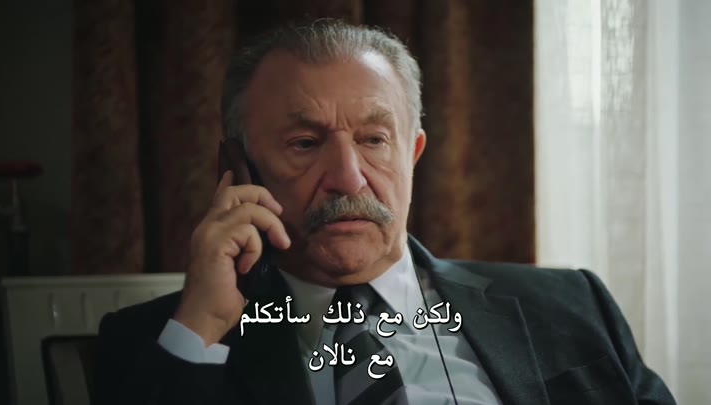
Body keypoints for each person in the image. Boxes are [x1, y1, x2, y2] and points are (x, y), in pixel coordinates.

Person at [92, 20, 675, 405]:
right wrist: (204, 323)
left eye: (374, 140)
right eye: (304, 144)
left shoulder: (571, 304)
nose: (348, 178)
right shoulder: (168, 341)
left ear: (412, 153)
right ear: (238, 168)